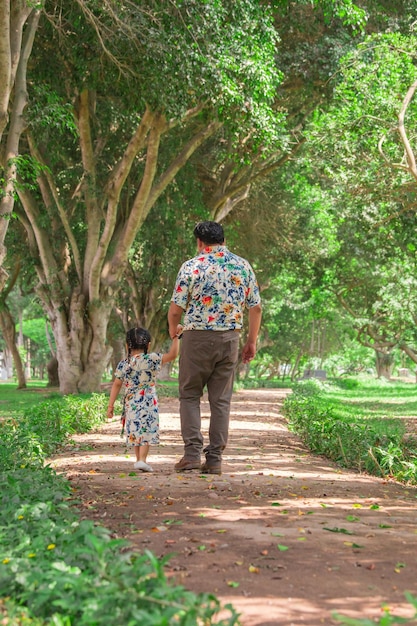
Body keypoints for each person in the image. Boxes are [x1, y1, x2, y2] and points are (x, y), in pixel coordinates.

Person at [168, 221, 262, 475]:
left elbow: (176, 309)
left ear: (200, 242)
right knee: (220, 401)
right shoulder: (242, 266)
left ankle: (191, 455)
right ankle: (214, 459)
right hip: (229, 339)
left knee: (189, 395)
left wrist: (173, 330)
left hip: (196, 339)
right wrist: (251, 341)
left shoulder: (191, 266)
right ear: (222, 239)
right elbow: (256, 308)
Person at [107, 326, 182, 472]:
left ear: (127, 345)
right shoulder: (153, 359)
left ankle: (139, 460)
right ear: (148, 345)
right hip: (148, 401)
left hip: (131, 403)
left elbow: (116, 384)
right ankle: (142, 460)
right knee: (146, 431)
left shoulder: (124, 363)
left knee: (136, 430)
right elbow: (173, 355)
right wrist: (176, 338)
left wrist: (110, 407)